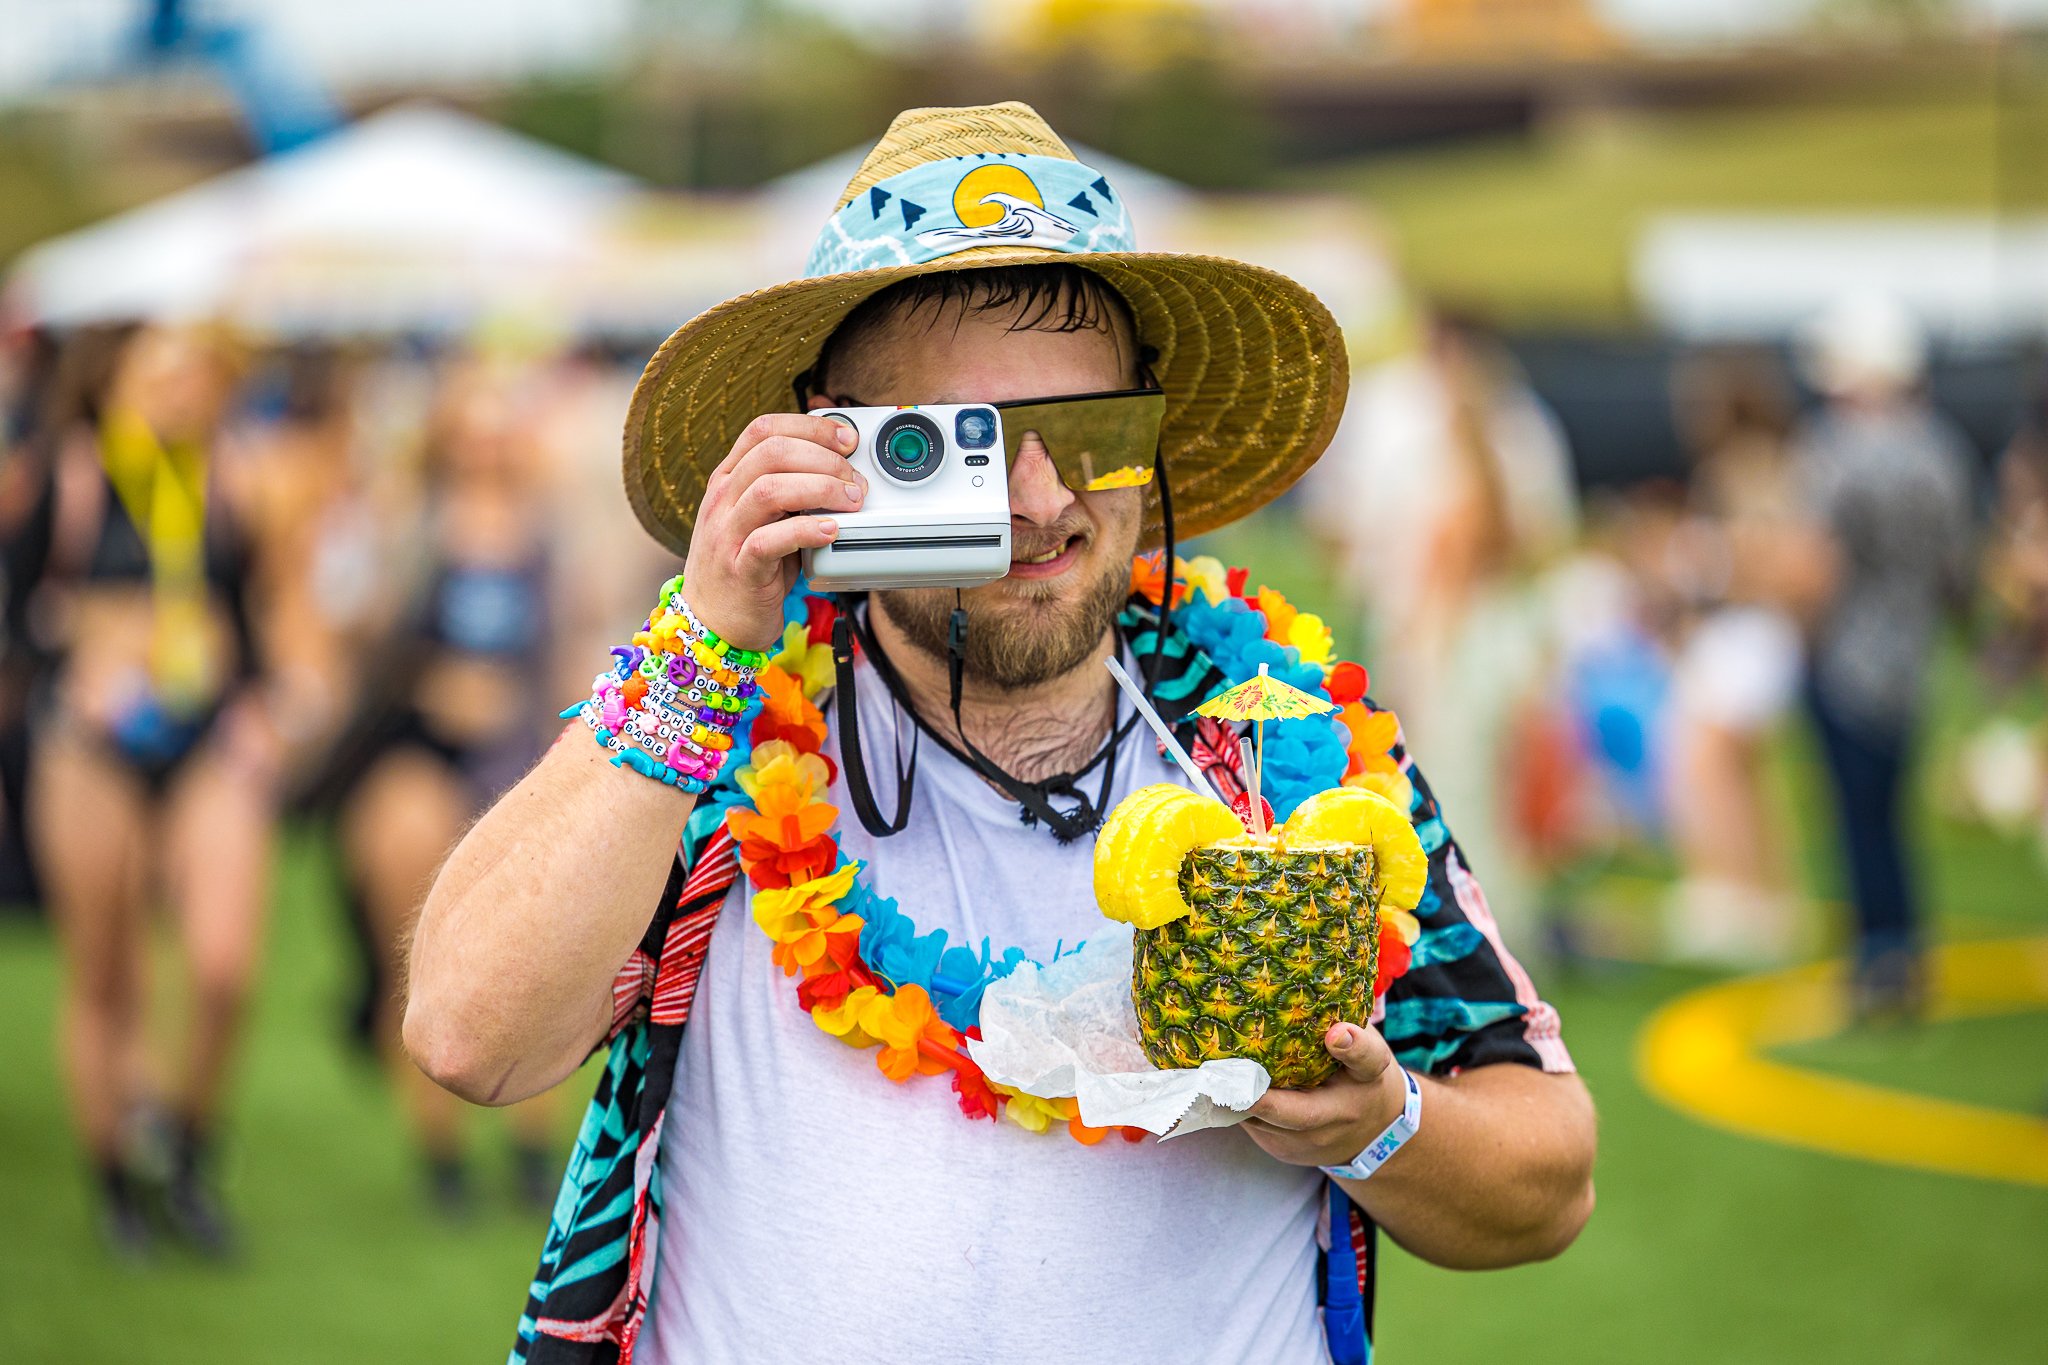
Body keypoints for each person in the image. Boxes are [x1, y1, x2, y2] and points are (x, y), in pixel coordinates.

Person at [405, 103, 1595, 1364]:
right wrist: (703, 643)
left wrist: (1378, 1124)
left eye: (1090, 434)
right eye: (959, 444)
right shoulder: (702, 734)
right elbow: (470, 1041)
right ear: (830, 437)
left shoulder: (1293, 761)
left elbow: (1549, 1180)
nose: (1039, 500)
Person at [26, 321, 279, 1258]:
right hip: (88, 747)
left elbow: (251, 619)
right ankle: (115, 1183)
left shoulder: (226, 479)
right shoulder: (71, 479)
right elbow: (20, 617)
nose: (181, 387)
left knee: (222, 964)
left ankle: (184, 1151)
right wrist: (79, 642)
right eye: (159, 370)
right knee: (106, 969)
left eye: (193, 372)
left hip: (201, 738)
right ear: (113, 380)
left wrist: (258, 698)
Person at [310, 357, 570, 1214]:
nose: (486, 447)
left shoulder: (546, 532)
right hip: (415, 751)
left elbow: (572, 647)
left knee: (539, 956)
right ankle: (440, 1150)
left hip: (518, 754)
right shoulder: (409, 525)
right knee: (414, 946)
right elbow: (352, 638)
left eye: (500, 430)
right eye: (472, 430)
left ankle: (533, 1148)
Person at [1791, 295, 1975, 1017]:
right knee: (1892, 815)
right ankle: (1904, 950)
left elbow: (1815, 568)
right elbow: (1958, 574)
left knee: (1858, 820)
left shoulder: (1837, 448)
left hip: (1848, 659)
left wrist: (1802, 634)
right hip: (1912, 661)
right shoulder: (1940, 448)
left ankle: (1878, 960)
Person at [1661, 348, 1812, 964]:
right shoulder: (1773, 462)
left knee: (1709, 763)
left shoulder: (1748, 468)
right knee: (1748, 773)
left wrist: (1708, 571)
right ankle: (1767, 897)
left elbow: (1769, 558)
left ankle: (1733, 897)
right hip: (1754, 633)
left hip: (1748, 632)